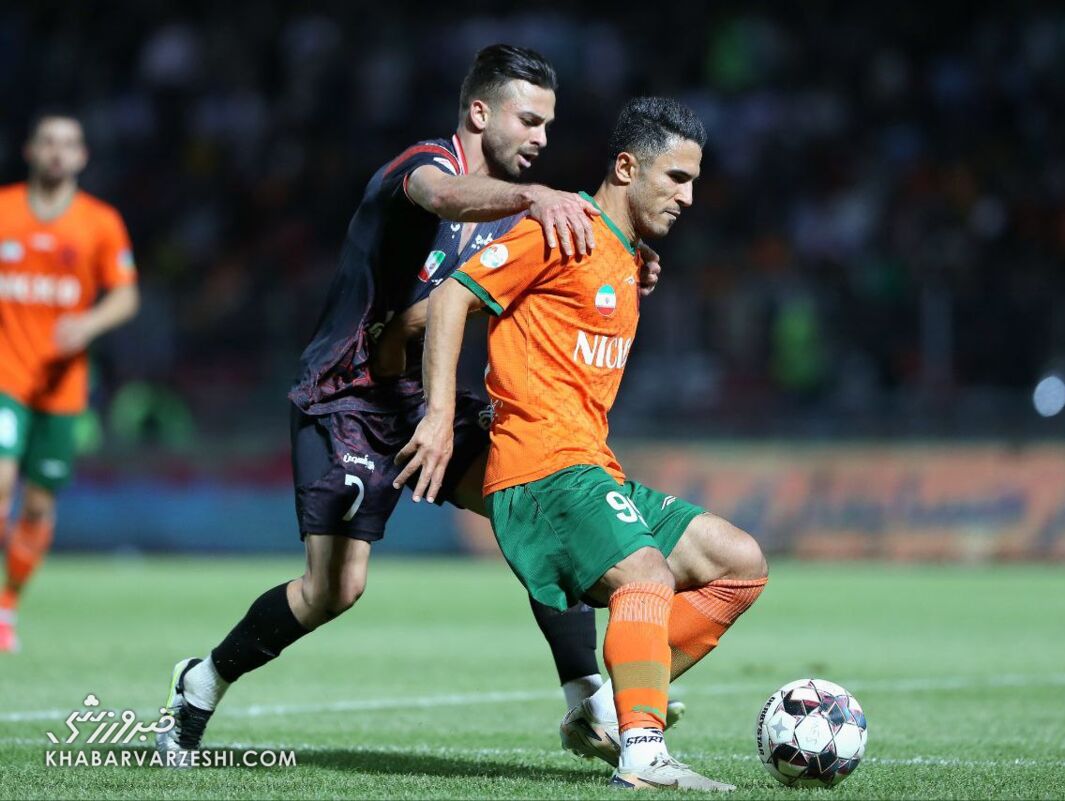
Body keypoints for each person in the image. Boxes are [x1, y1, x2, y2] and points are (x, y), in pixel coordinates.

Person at [157, 45, 665, 759]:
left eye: (549, 125)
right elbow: (442, 197)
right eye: (529, 120)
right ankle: (202, 681)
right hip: (346, 398)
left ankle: (589, 702)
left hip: (425, 394)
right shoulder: (426, 166)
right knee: (333, 590)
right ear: (480, 112)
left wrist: (623, 259)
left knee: (543, 501)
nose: (542, 138)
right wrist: (539, 196)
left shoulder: (514, 222)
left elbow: (498, 295)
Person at [396, 97, 768, 791]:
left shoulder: (625, 253)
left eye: (694, 181)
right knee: (647, 577)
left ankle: (609, 707)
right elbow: (450, 298)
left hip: (593, 466)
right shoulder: (562, 227)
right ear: (626, 167)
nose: (689, 197)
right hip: (542, 468)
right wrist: (439, 417)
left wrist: (635, 261)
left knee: (738, 563)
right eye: (676, 178)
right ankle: (643, 751)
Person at [0, 113, 140, 653]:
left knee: (37, 507)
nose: (58, 152)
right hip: (6, 376)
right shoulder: (5, 210)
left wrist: (88, 323)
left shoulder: (99, 222)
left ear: (82, 156)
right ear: (30, 150)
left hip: (62, 388)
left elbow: (126, 295)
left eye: (68, 144)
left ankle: (7, 606)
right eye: (48, 142)